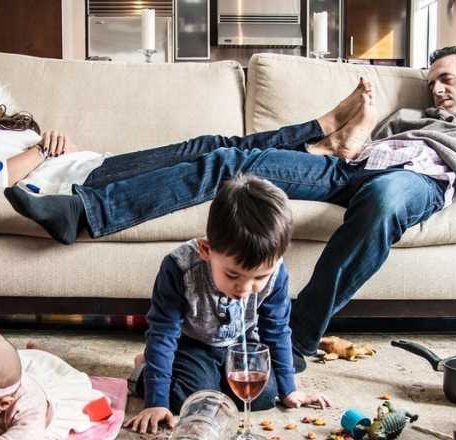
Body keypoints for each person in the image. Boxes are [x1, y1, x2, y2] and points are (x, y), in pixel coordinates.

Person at [5, 46, 456, 371]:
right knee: (230, 163)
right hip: (350, 169)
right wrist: (354, 134)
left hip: (418, 184)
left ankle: (298, 337)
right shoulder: (408, 116)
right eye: (433, 77)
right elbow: (352, 150)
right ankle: (83, 213)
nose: (437, 86)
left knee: (387, 199)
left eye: (448, 78)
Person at [0, 53, 374, 200]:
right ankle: (321, 150)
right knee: (223, 160)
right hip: (85, 182)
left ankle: (325, 128)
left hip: (91, 163)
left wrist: (56, 146)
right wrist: (43, 152)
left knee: (213, 144)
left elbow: (39, 156)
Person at [123, 175, 332, 435]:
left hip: (241, 342)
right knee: (190, 399)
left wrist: (289, 389)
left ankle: (220, 378)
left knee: (265, 395)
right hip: (191, 343)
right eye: (233, 275)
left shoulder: (277, 272)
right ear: (206, 250)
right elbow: (163, 333)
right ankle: (143, 369)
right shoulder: (179, 268)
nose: (245, 289)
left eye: (259, 277)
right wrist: (156, 402)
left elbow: (276, 329)